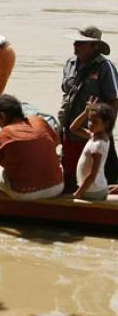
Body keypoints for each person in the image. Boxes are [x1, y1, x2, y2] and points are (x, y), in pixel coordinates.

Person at [0, 95, 64, 200]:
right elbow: (56, 142)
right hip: (57, 187)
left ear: (2, 116)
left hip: (24, 193)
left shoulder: (2, 135)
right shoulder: (40, 121)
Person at [59, 26, 118, 192]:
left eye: (81, 43)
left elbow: (114, 100)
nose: (75, 45)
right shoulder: (70, 64)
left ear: (95, 46)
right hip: (70, 128)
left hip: (92, 130)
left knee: (96, 172)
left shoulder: (105, 67)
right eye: (76, 42)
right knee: (70, 172)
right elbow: (66, 94)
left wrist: (106, 130)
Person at [69, 97, 115, 200]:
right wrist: (86, 112)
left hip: (92, 191)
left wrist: (78, 192)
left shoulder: (98, 144)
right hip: (96, 187)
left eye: (95, 122)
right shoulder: (94, 136)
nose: (90, 124)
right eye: (89, 120)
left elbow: (92, 174)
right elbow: (73, 128)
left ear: (106, 124)